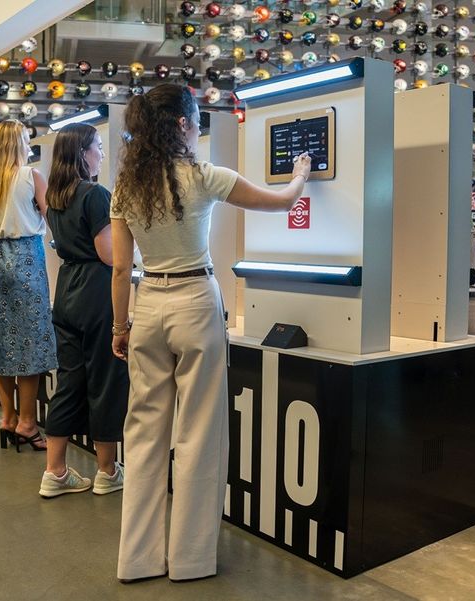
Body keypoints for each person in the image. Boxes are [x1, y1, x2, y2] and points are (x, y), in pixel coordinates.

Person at [110, 84, 312, 582]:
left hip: (148, 303)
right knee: (199, 434)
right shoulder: (203, 177)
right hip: (195, 304)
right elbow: (282, 201)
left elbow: (119, 269)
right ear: (181, 124)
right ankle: (189, 560)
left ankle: (137, 560)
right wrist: (301, 174)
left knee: (142, 437)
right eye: (195, 118)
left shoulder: (126, 187)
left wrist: (121, 325)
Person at [38, 123, 129, 498]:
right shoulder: (95, 194)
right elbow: (110, 254)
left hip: (68, 291)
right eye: (98, 147)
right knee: (106, 382)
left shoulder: (56, 197)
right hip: (97, 291)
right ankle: (107, 471)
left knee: (69, 383)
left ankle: (54, 472)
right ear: (82, 153)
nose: (103, 154)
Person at [0, 120, 57, 451]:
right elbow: (52, 218)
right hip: (26, 259)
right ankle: (27, 423)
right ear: (18, 144)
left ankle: (7, 418)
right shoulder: (31, 176)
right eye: (26, 139)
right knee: (32, 344)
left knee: (4, 342)